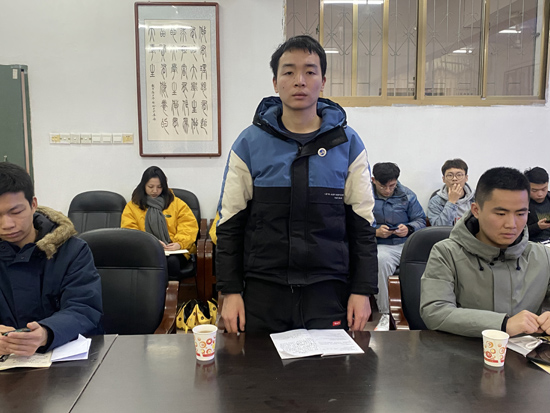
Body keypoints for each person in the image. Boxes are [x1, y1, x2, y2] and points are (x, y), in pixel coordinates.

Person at [215, 35, 378, 334]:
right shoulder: (249, 143)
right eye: (289, 72)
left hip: (329, 290)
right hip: (263, 291)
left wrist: (362, 290)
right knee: (256, 365)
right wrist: (230, 290)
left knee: (331, 366)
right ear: (275, 83)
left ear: (323, 81)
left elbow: (363, 225)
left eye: (310, 71)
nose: (299, 81)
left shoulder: (348, 144)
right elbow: (229, 224)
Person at [420, 167, 550, 337]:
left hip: (526, 351)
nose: (511, 224)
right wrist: (503, 324)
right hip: (465, 349)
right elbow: (435, 311)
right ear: (476, 210)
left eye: (520, 213)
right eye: (501, 213)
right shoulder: (446, 253)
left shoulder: (543, 256)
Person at [0, 163, 103, 356]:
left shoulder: (72, 251)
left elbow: (83, 308)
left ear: (33, 204)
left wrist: (46, 333)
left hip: (64, 360)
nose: (7, 224)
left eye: (16, 212)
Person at [371, 162, 426, 331]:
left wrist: (409, 228)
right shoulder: (364, 196)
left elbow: (421, 220)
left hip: (406, 244)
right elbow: (355, 224)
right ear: (373, 180)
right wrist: (375, 231)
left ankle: (421, 312)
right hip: (382, 245)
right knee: (381, 260)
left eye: (392, 186)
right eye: (383, 186)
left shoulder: (407, 195)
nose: (388, 190)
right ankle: (386, 314)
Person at [121, 166, 198, 280]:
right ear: (143, 186)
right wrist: (152, 242)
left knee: (172, 262)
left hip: (174, 250)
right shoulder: (133, 206)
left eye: (159, 187)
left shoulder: (177, 204)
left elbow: (188, 227)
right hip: (145, 250)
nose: (155, 191)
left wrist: (179, 243)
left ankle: (171, 291)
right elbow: (130, 231)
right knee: (145, 262)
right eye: (150, 187)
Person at [427, 158, 474, 226]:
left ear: (466, 178)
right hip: (448, 233)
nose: (454, 179)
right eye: (450, 175)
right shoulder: (435, 201)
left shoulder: (476, 197)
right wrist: (451, 202)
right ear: (443, 179)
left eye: (459, 175)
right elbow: (438, 228)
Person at [524, 167, 550, 243]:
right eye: (534, 190)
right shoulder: (520, 204)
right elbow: (516, 233)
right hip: (534, 244)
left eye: (544, 189)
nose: (540, 194)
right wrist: (537, 227)